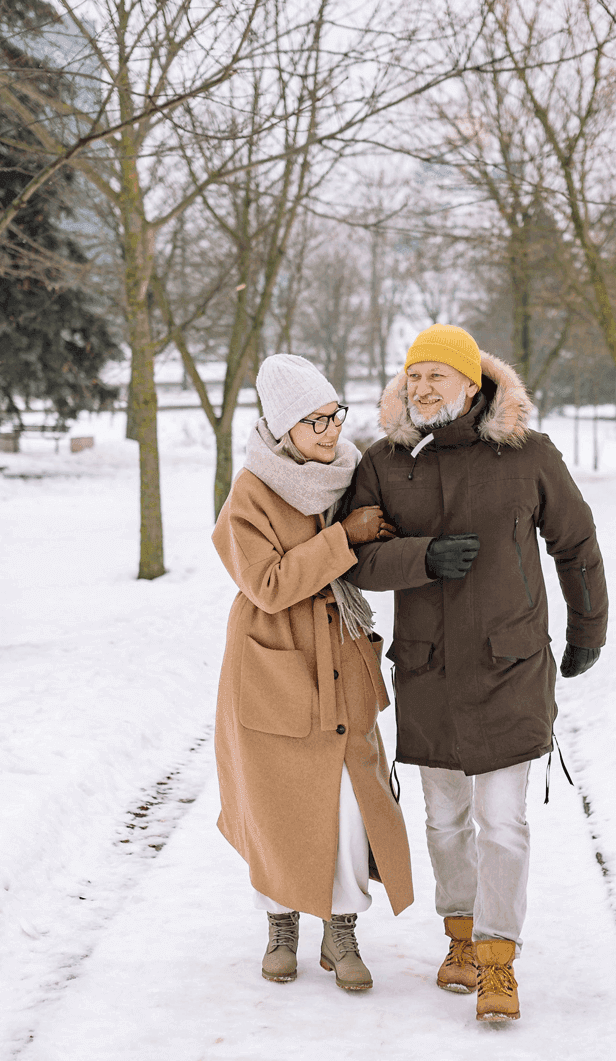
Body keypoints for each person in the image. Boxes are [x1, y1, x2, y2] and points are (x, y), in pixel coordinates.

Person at [344, 323, 608, 1021]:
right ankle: (457, 936)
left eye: (438, 374)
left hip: (508, 665)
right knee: (444, 823)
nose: (423, 386)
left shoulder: (527, 455)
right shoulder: (384, 464)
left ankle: (498, 960)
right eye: (414, 375)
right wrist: (420, 559)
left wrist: (588, 631)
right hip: (428, 672)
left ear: (473, 383)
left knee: (503, 823)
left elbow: (576, 544)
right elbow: (354, 559)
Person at [212, 353, 414, 992]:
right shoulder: (250, 492)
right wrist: (344, 539)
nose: (330, 432)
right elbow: (269, 584)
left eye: (334, 416)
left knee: (352, 802)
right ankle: (281, 922)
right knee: (276, 801)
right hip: (274, 659)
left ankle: (342, 924)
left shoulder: (350, 473)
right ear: (281, 427)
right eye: (313, 421)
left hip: (340, 654)